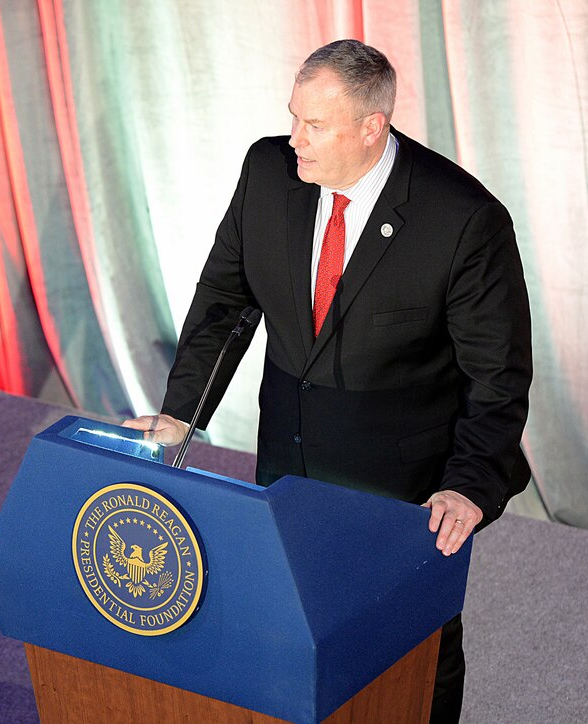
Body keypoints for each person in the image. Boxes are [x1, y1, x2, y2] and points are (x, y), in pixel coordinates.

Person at [124, 39, 531, 723]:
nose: (295, 140)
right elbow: (227, 301)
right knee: (288, 623)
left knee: (413, 646)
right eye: (293, 118)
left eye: (313, 127)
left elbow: (497, 376)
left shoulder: (463, 220)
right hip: (287, 456)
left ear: (371, 127)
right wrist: (182, 414)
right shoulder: (268, 172)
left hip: (399, 482)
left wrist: (469, 482)